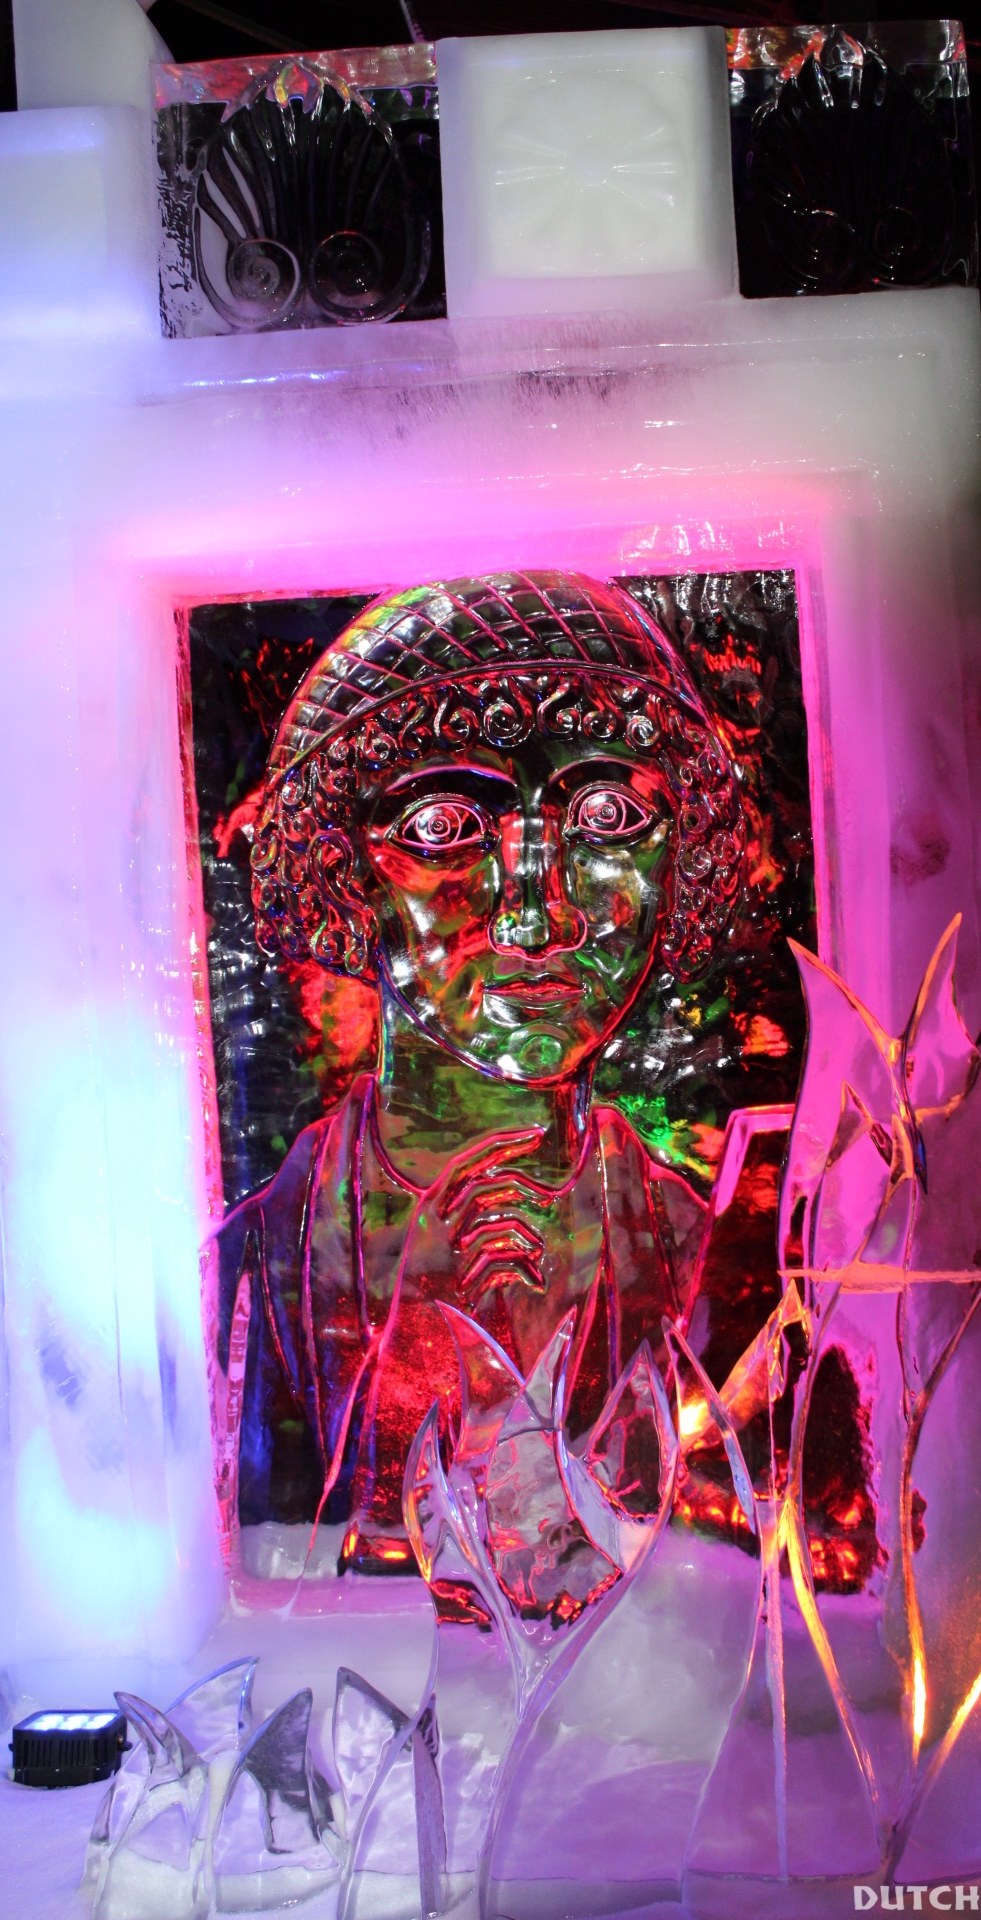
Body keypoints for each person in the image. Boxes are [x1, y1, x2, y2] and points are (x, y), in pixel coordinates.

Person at [212, 570, 747, 1577]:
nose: (537, 918)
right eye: (443, 829)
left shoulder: (694, 1249)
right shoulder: (253, 1267)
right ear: (340, 870)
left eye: (606, 818)